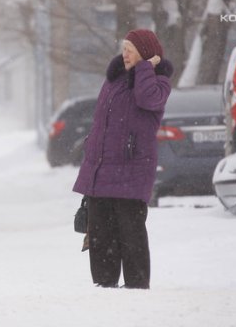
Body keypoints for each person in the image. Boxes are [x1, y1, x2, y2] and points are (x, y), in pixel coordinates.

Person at [72, 29, 173, 289]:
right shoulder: (114, 80)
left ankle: (137, 287)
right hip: (102, 169)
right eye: (124, 47)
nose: (124, 53)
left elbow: (146, 98)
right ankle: (103, 286)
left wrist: (145, 69)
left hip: (132, 171)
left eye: (130, 48)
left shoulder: (158, 82)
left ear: (146, 53)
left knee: (131, 233)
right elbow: (100, 123)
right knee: (100, 236)